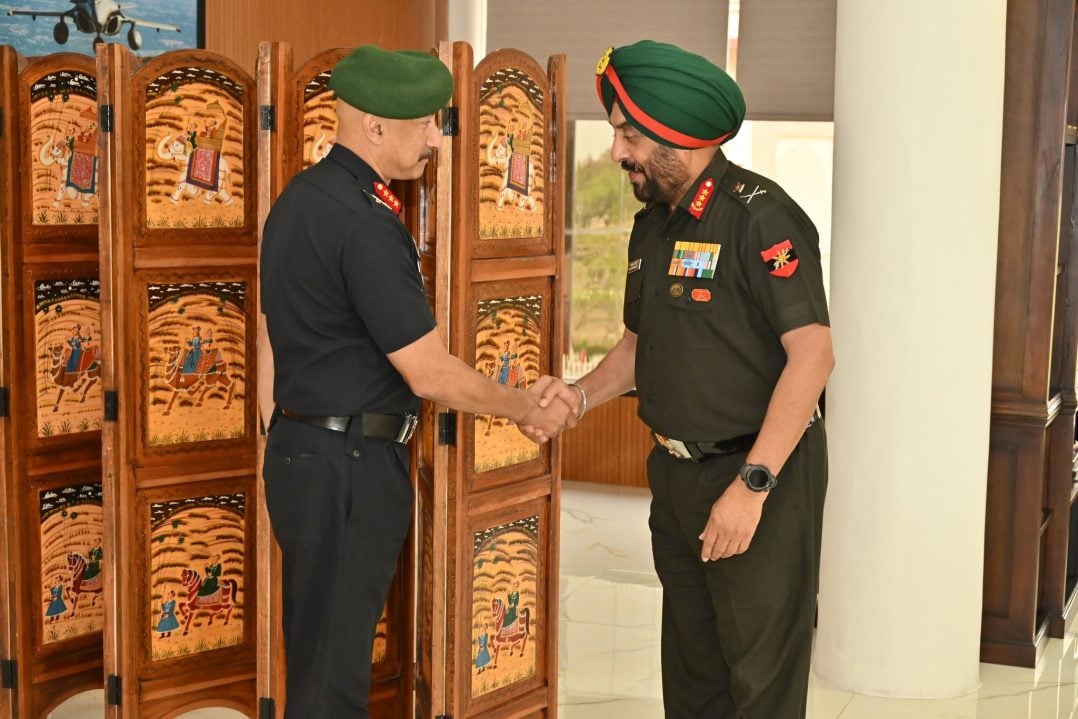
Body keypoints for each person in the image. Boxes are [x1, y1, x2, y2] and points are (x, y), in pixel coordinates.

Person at [260, 44, 576, 718]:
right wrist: (522, 403)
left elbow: (270, 335)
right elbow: (428, 370)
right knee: (333, 678)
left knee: (319, 655)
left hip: (298, 453)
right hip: (348, 469)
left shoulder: (297, 200)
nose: (438, 137)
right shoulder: (366, 224)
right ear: (374, 126)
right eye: (425, 123)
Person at [544, 40, 834, 718]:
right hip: (675, 478)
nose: (617, 151)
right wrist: (580, 395)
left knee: (760, 681)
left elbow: (813, 355)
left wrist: (752, 486)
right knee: (693, 673)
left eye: (629, 133)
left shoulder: (761, 215)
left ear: (677, 134)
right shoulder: (653, 226)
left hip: (756, 476)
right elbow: (639, 345)